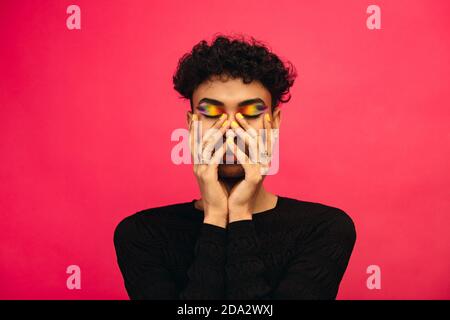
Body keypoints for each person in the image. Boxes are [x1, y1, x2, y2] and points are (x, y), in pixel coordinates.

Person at [113, 34, 356, 300]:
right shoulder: (142, 234)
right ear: (191, 124)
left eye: (251, 113)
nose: (230, 129)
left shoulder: (324, 229)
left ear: (274, 123)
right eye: (212, 114)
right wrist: (216, 215)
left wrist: (239, 213)